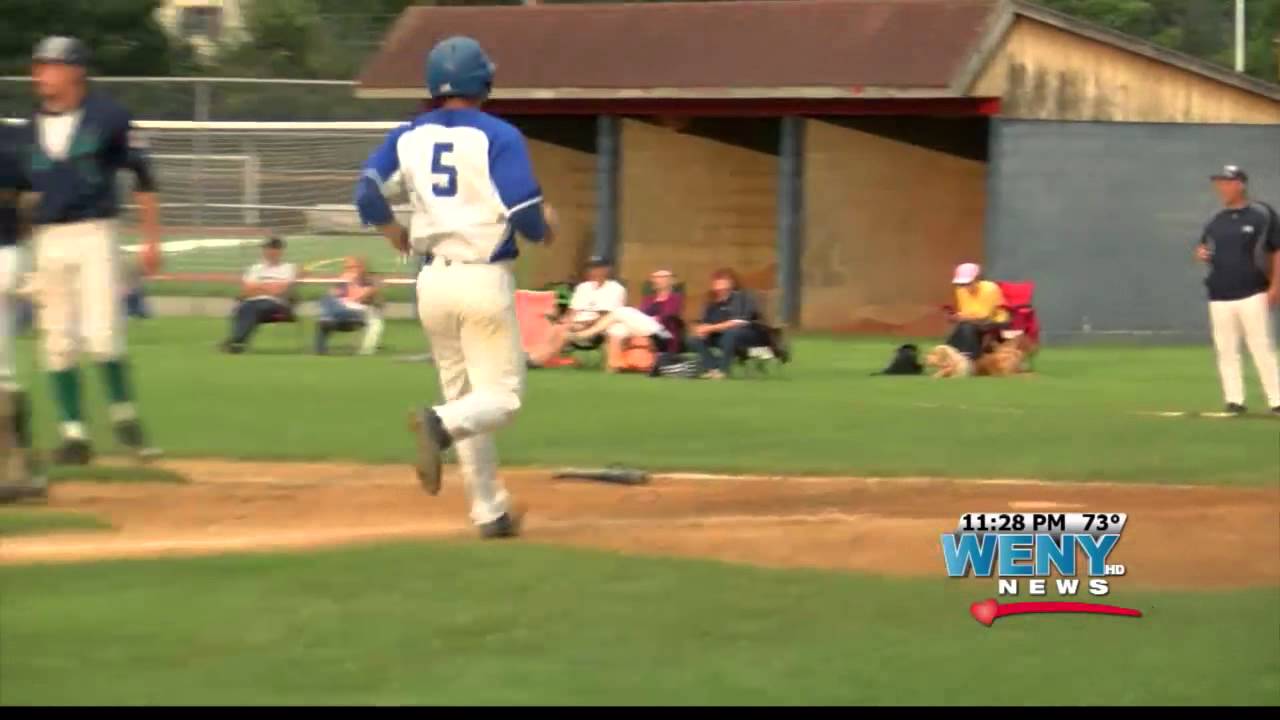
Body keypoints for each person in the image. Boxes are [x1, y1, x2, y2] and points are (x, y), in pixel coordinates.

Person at [354, 35, 555, 539]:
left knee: (466, 399)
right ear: (483, 82)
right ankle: (438, 424)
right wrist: (546, 228)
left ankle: (489, 511)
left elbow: (366, 192)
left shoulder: (407, 134)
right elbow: (525, 215)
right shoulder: (498, 135)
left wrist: (391, 230)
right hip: (482, 277)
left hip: (432, 282)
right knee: (502, 399)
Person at [20, 36, 162, 465]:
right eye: (38, 66)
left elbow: (143, 177)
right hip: (46, 238)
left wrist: (152, 239)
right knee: (57, 340)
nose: (40, 75)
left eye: (50, 66)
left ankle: (125, 419)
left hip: (95, 233)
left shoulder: (110, 117)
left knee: (102, 335)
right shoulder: (29, 127)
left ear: (76, 71)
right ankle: (73, 435)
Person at [1195, 165, 1280, 416]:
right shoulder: (1215, 220)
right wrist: (1201, 254)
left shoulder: (1262, 214)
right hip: (1219, 294)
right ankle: (1234, 400)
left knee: (1261, 347)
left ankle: (1276, 400)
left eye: (1227, 182)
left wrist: (1275, 286)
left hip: (1253, 291)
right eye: (1219, 183)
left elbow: (1276, 251)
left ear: (1240, 184)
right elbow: (1204, 248)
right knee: (1226, 349)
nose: (1222, 187)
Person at [1, 118, 46, 501]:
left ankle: (15, 468)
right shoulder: (14, 140)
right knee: (3, 370)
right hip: (7, 254)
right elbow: (33, 200)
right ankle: (16, 469)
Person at [527, 257, 669, 369]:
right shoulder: (583, 287)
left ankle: (537, 361)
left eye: (598, 268)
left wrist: (579, 326)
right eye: (592, 267)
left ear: (607, 270)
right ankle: (534, 356)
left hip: (597, 328)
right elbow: (572, 312)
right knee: (556, 327)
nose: (594, 271)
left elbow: (606, 317)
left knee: (563, 331)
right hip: (577, 324)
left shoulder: (615, 289)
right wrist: (563, 319)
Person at [220, 237, 298, 354]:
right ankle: (237, 342)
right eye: (265, 249)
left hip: (276, 305)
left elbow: (280, 290)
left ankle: (236, 340)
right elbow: (246, 290)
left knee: (249, 308)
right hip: (252, 303)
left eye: (269, 249)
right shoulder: (255, 268)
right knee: (246, 308)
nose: (266, 252)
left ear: (279, 251)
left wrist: (259, 287)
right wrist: (269, 287)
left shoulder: (288, 268)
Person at [688, 268, 769, 379]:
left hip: (749, 334)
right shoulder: (711, 303)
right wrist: (700, 330)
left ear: (731, 283)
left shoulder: (742, 297)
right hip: (721, 336)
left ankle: (723, 371)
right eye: (717, 283)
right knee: (693, 339)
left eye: (723, 283)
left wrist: (710, 328)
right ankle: (712, 368)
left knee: (731, 333)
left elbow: (739, 321)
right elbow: (704, 323)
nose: (720, 287)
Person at [315, 256, 384, 356]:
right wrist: (341, 285)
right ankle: (321, 350)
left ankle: (328, 317)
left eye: (352, 267)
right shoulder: (344, 281)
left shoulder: (371, 281)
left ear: (362, 268)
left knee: (328, 311)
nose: (349, 270)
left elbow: (377, 303)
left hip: (358, 311)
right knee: (327, 300)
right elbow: (333, 295)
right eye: (347, 268)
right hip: (341, 310)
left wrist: (372, 291)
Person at [945, 262, 1008, 359]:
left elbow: (985, 316)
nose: (964, 287)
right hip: (972, 321)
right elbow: (966, 311)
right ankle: (952, 354)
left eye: (967, 283)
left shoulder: (990, 289)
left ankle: (972, 357)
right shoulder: (960, 291)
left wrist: (964, 317)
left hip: (994, 320)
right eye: (961, 284)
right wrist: (955, 317)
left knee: (966, 327)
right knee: (963, 328)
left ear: (977, 279)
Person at [640, 269, 685, 353]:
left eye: (660, 277)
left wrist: (651, 320)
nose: (655, 280)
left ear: (670, 281)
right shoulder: (648, 299)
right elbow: (640, 316)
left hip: (665, 335)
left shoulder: (676, 299)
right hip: (646, 331)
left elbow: (667, 315)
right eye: (654, 277)